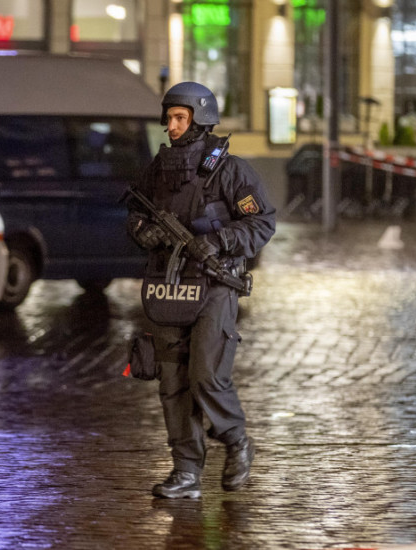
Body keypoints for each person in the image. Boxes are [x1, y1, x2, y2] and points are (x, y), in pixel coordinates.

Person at [126, 82, 276, 499]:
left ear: (200, 120)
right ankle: (186, 471)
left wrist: (220, 241)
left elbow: (262, 223)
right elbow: (134, 212)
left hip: (214, 286)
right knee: (172, 381)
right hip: (169, 287)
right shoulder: (156, 170)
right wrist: (145, 231)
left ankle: (236, 440)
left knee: (206, 376)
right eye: (169, 118)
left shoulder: (230, 170)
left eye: (180, 119)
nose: (172, 127)